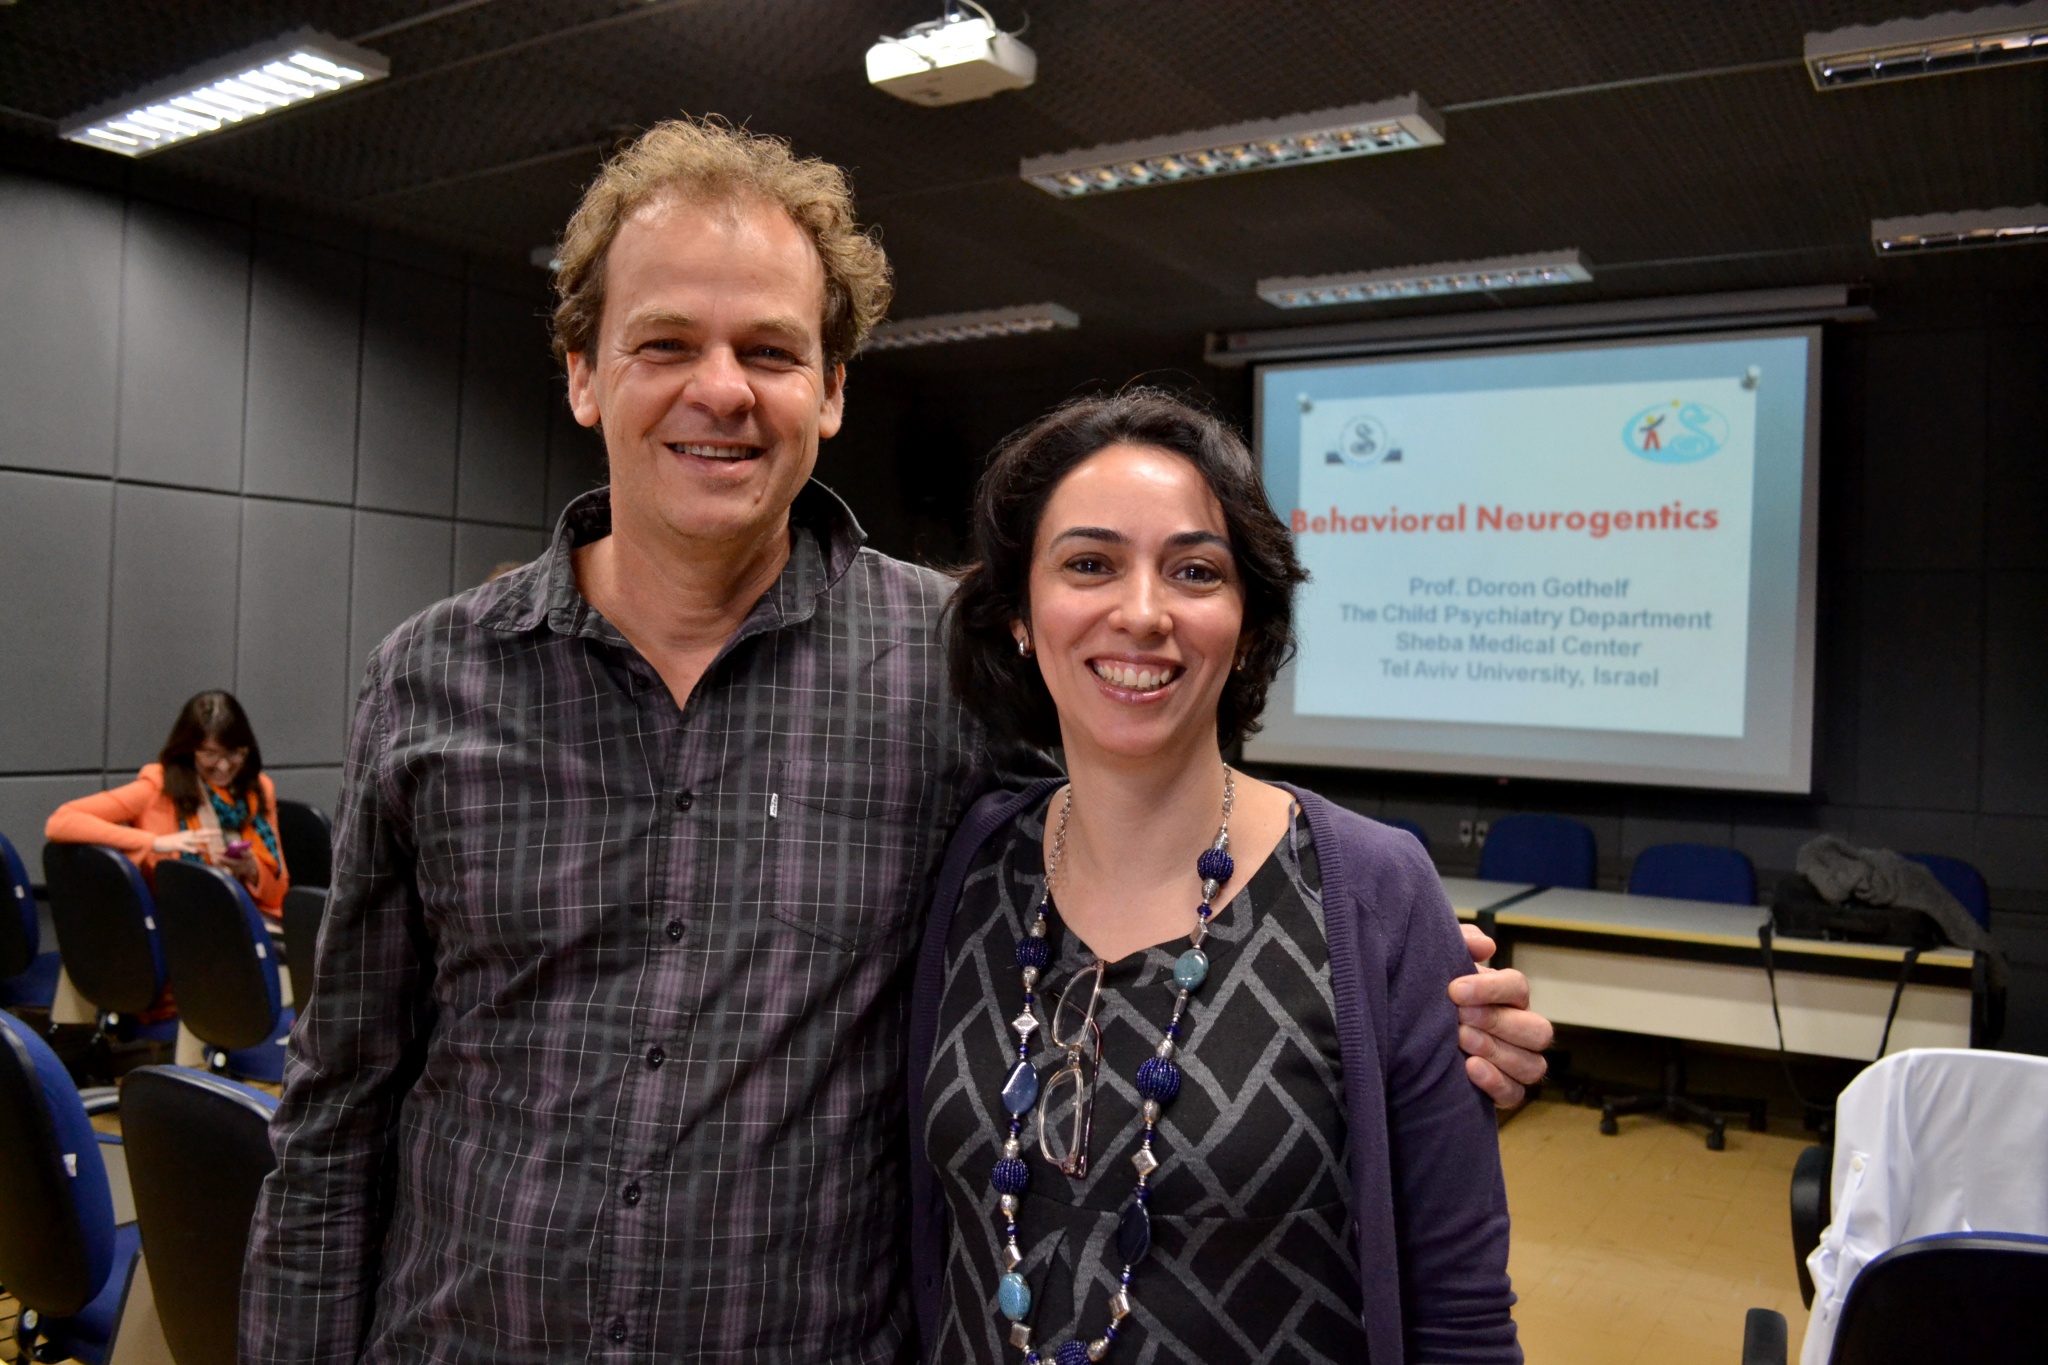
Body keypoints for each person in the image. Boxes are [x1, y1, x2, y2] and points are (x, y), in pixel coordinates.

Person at [241, 118, 1547, 1364]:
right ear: (582, 372)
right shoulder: (431, 677)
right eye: (664, 343)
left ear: (834, 390)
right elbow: (341, 1106)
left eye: (769, 349)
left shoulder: (954, 670)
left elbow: (1150, 834)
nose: (720, 391)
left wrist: (1409, 999)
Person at [911, 391, 1518, 1363]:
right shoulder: (973, 866)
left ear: (1244, 622)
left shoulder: (1367, 892)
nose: (1142, 612)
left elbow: (1458, 1310)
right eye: (1088, 564)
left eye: (1193, 571)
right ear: (1020, 614)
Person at [48, 689, 290, 916]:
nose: (224, 766)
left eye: (235, 753)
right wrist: (153, 842)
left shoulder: (258, 789)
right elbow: (62, 821)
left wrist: (252, 870)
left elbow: (279, 894)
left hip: (244, 919)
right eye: (210, 754)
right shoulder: (158, 787)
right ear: (189, 749)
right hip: (177, 925)